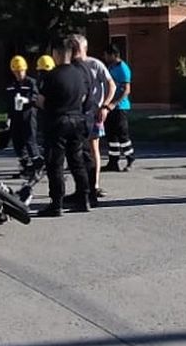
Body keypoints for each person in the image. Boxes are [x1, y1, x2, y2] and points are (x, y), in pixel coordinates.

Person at [34, 39, 95, 217]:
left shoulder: (51, 75)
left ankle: (56, 203)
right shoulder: (79, 74)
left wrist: (40, 105)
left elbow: (42, 101)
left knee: (55, 164)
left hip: (57, 122)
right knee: (77, 161)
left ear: (57, 54)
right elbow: (85, 98)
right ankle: (84, 199)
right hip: (77, 121)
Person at [71, 34, 115, 196]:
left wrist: (105, 106)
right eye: (72, 48)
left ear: (84, 48)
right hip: (75, 114)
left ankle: (94, 185)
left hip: (94, 112)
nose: (74, 51)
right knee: (77, 151)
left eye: (77, 48)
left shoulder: (95, 64)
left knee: (93, 147)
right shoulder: (71, 66)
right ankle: (81, 187)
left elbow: (112, 85)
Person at [4, 55, 41, 174]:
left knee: (30, 139)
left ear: (25, 69)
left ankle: (37, 164)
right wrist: (9, 117)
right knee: (17, 141)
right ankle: (24, 165)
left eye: (20, 71)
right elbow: (9, 102)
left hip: (29, 114)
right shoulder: (11, 85)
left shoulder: (31, 82)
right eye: (16, 71)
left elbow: (36, 96)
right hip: (16, 116)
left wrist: (27, 100)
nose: (19, 74)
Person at [102, 44, 135, 172]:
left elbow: (126, 90)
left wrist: (114, 103)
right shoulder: (111, 67)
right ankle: (113, 161)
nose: (104, 57)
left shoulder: (123, 68)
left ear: (113, 55)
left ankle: (130, 157)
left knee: (122, 134)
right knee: (111, 135)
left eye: (106, 55)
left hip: (120, 107)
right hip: (110, 107)